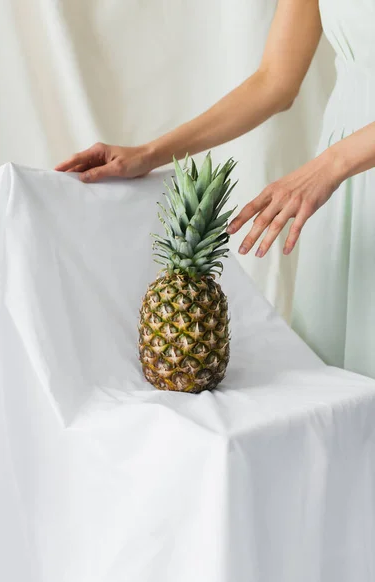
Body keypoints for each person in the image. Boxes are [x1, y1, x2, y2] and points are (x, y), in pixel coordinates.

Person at [56, 0, 375, 381]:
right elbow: (274, 80)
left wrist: (331, 164)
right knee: (340, 395)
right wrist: (149, 154)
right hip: (337, 191)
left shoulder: (329, 167)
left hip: (332, 171)